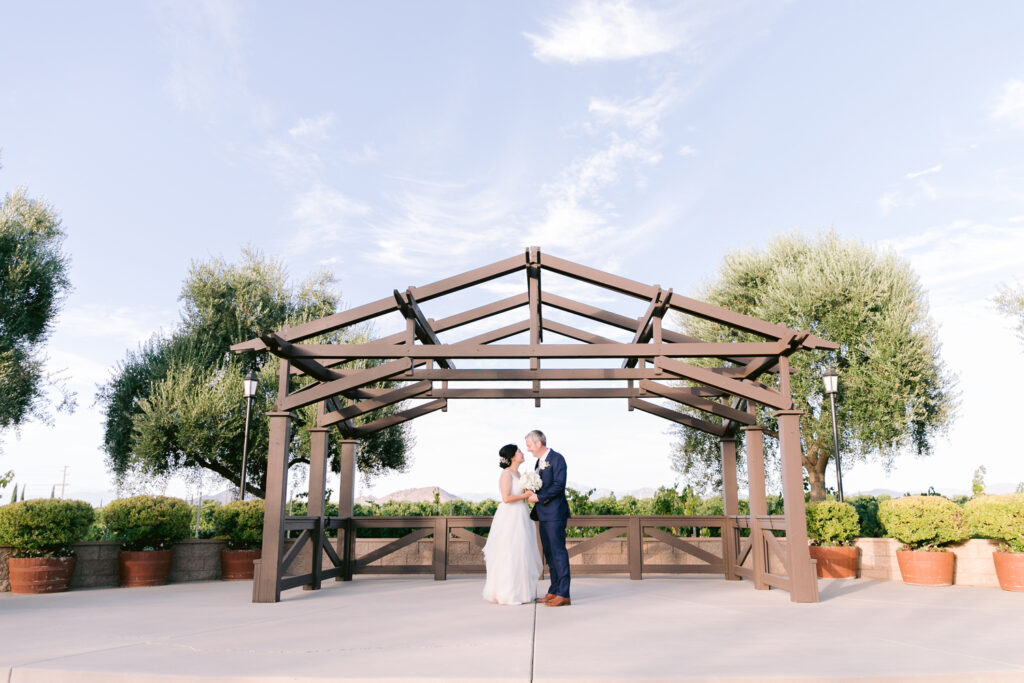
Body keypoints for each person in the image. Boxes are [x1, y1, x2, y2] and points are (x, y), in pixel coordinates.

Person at [482, 444, 543, 605]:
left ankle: (522, 592)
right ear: (512, 456)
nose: (522, 453)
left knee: (522, 552)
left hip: (521, 515)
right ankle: (507, 593)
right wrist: (525, 495)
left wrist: (530, 494)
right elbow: (506, 498)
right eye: (519, 451)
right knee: (510, 552)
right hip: (510, 517)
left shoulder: (519, 473)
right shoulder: (506, 474)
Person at [525, 429, 571, 607]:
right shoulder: (538, 462)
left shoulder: (557, 458)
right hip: (543, 514)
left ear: (538, 443)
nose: (528, 449)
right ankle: (553, 590)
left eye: (529, 445)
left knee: (558, 552)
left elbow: (559, 485)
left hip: (555, 514)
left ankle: (564, 593)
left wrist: (539, 497)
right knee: (549, 553)